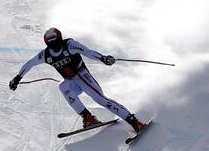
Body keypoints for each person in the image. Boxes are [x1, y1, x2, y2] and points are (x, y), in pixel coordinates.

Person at [9, 27, 145, 133]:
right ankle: (88, 118)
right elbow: (30, 63)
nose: (56, 47)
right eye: (52, 45)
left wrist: (103, 58)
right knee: (63, 87)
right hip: (71, 81)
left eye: (57, 43)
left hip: (82, 75)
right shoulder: (46, 54)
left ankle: (133, 121)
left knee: (100, 99)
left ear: (60, 39)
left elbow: (88, 51)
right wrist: (17, 78)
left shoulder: (70, 44)